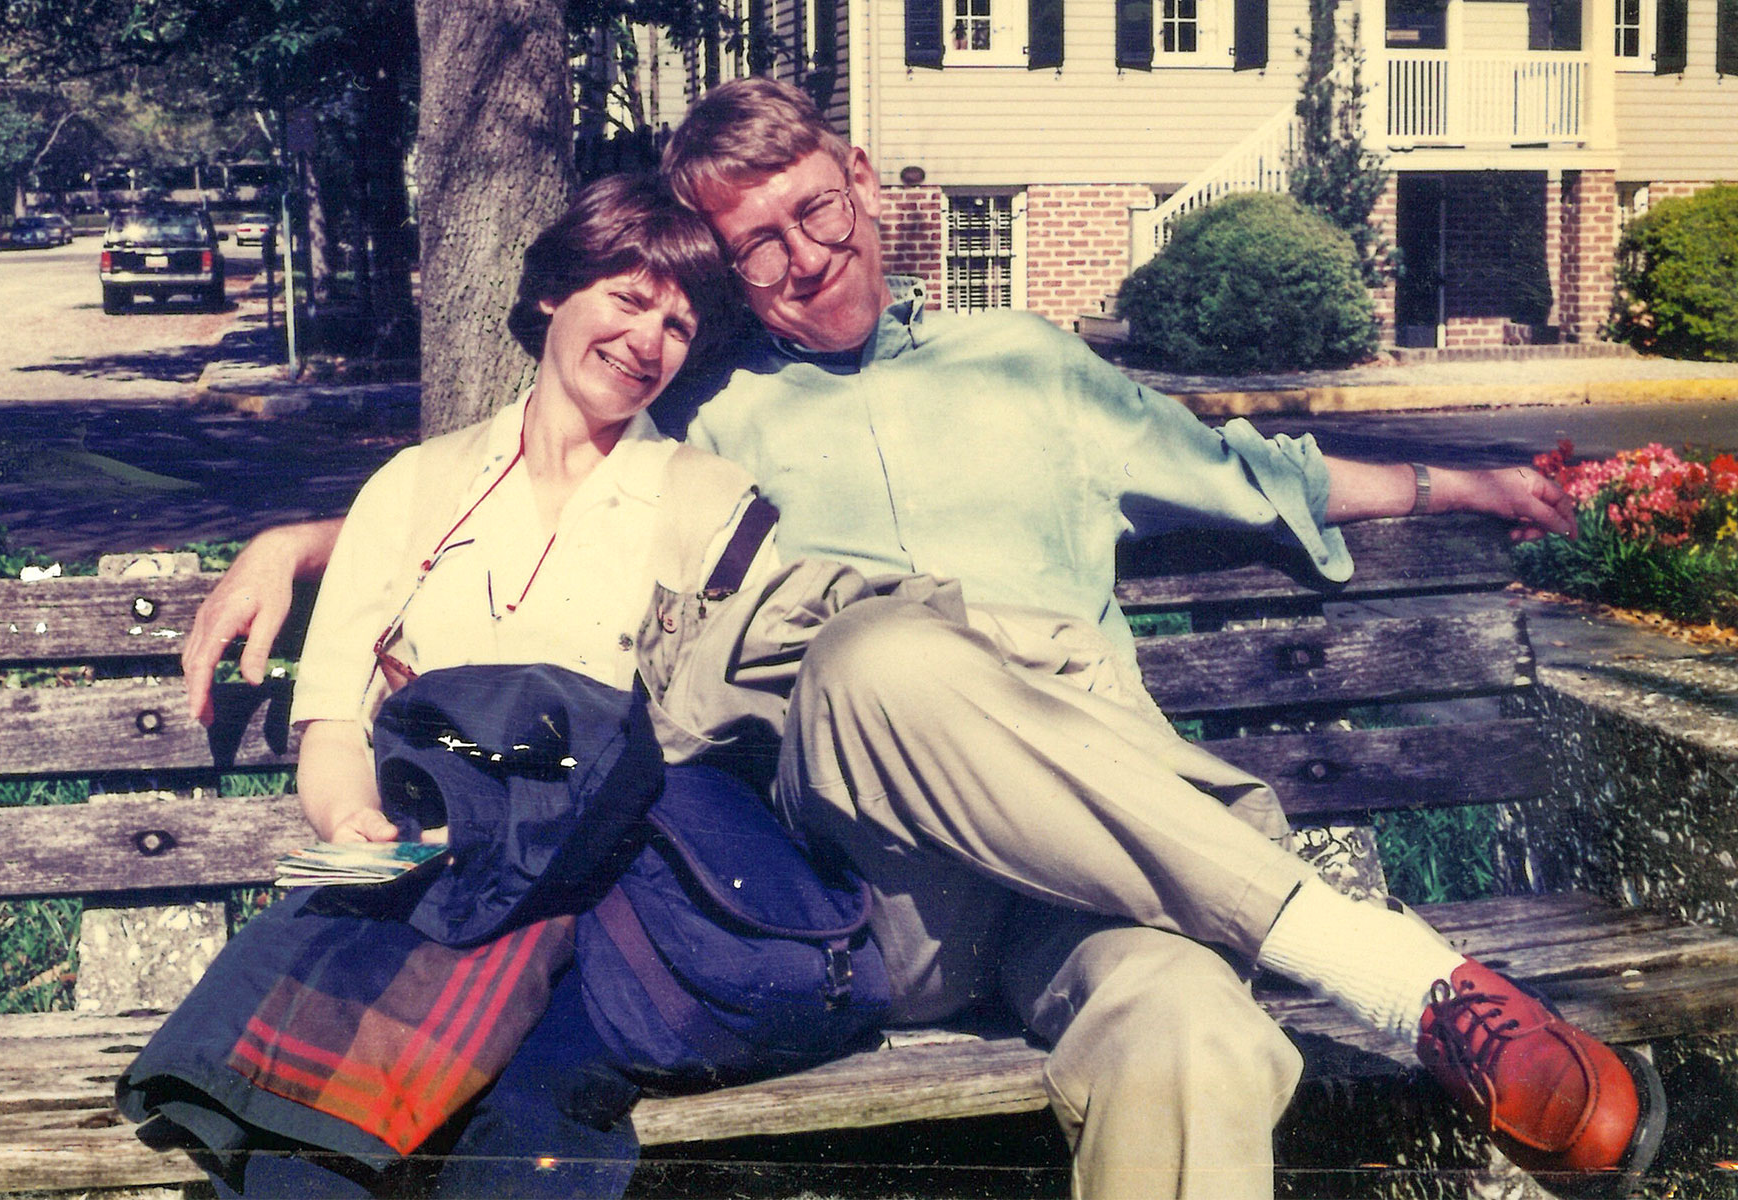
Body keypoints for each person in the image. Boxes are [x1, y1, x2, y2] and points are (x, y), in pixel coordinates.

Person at [180, 81, 1663, 1198]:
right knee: (883, 658)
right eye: (753, 251)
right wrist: (306, 545)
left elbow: (1253, 474)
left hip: (1093, 873)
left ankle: (1407, 997)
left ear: (867, 184)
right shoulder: (711, 409)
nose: (800, 262)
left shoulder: (1034, 367)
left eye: (815, 213)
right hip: (865, 889)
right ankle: (1401, 975)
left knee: (1192, 1035)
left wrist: (1468, 485)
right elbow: (534, 468)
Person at [119, 173, 791, 1199]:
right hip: (392, 850)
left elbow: (733, 734)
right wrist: (347, 820)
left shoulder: (703, 503)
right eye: (624, 296)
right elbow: (335, 717)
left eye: (676, 322)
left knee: (531, 1101)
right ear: (551, 296)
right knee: (284, 1103)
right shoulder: (413, 486)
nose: (646, 338)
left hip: (585, 874)